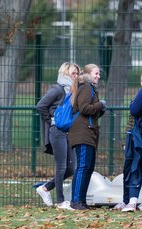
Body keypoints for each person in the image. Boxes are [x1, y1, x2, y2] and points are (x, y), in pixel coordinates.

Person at [36, 62, 80, 210]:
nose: (76, 76)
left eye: (77, 74)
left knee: (71, 168)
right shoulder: (57, 89)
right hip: (57, 131)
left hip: (69, 132)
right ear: (66, 73)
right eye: (73, 73)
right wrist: (52, 121)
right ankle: (61, 201)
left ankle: (45, 188)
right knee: (61, 166)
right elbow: (41, 105)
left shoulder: (74, 91)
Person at [68, 64, 106, 210]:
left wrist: (100, 108)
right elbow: (84, 109)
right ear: (89, 74)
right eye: (96, 73)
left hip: (89, 133)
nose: (98, 76)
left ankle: (81, 201)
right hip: (82, 133)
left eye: (99, 74)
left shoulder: (90, 88)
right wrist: (100, 105)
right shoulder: (86, 87)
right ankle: (75, 201)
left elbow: (92, 112)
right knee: (83, 167)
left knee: (88, 167)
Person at [119, 74, 142, 212]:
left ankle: (131, 202)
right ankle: (127, 200)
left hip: (138, 138)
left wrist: (132, 104)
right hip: (134, 136)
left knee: (135, 166)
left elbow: (133, 110)